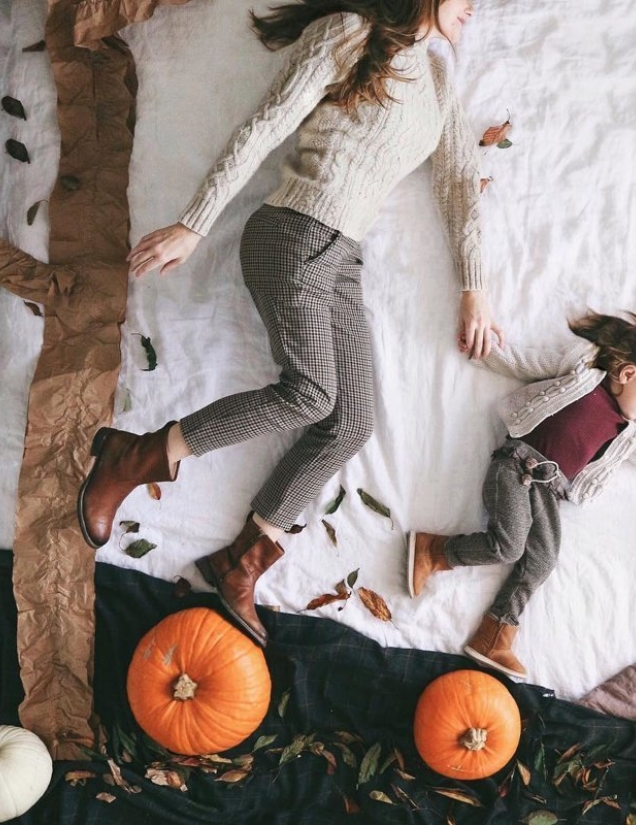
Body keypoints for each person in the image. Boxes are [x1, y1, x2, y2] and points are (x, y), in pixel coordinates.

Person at [76, 0, 502, 647]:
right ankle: (134, 453)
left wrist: (475, 288)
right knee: (308, 393)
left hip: (343, 259)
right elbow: (266, 122)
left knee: (350, 420)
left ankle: (241, 561)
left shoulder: (439, 83)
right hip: (293, 233)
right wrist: (196, 221)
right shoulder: (350, 33)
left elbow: (459, 186)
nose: (475, 9)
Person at [407, 311, 636, 679]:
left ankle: (494, 635)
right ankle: (432, 551)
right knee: (509, 546)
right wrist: (484, 350)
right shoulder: (583, 366)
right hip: (516, 466)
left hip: (551, 489)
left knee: (542, 560)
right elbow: (523, 364)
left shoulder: (631, 430)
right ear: (627, 375)